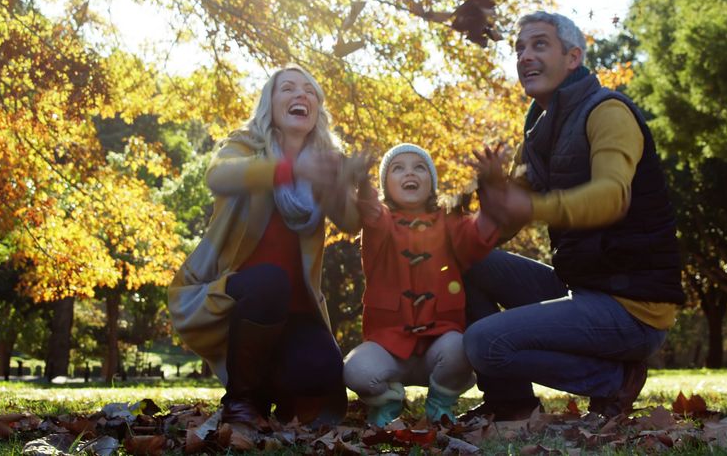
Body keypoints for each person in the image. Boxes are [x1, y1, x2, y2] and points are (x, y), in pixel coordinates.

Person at [462, 11, 685, 421]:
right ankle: (510, 403)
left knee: (482, 343)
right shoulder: (536, 136)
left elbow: (612, 196)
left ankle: (612, 380)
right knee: (468, 261)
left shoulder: (608, 112)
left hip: (633, 308)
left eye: (539, 45)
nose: (525, 56)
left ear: (573, 57)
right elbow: (504, 224)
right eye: (519, 49)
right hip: (584, 289)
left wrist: (528, 205)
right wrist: (478, 204)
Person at [167, 65, 364, 427]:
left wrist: (350, 182)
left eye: (309, 91)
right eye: (286, 88)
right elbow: (219, 176)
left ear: (316, 109)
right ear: (269, 104)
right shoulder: (243, 146)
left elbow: (351, 222)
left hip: (298, 309)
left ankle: (277, 387)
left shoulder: (322, 162)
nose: (299, 95)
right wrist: (289, 169)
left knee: (321, 370)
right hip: (240, 299)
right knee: (270, 281)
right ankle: (243, 400)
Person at [342, 143, 500, 426]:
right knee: (356, 370)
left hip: (438, 343)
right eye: (397, 168)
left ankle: (440, 402)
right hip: (388, 346)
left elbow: (478, 236)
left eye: (419, 167)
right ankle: (388, 401)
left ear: (431, 183)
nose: (409, 173)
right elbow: (371, 212)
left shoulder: (450, 221)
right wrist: (362, 182)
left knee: (461, 348)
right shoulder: (380, 224)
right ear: (385, 185)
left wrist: (489, 187)